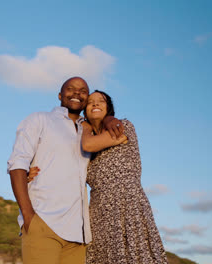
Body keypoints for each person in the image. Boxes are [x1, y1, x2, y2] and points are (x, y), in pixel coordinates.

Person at [29, 90, 168, 264]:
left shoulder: (122, 126)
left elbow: (89, 145)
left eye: (100, 101)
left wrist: (86, 127)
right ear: (85, 110)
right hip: (98, 211)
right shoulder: (80, 144)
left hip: (127, 203)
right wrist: (31, 171)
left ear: (108, 108)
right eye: (90, 102)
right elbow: (66, 168)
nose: (95, 104)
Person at [7, 77, 124, 264]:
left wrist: (109, 117)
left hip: (79, 234)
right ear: (60, 95)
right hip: (44, 222)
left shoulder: (91, 134)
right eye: (71, 89)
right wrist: (29, 217)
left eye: (83, 91)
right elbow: (17, 164)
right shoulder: (40, 119)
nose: (77, 93)